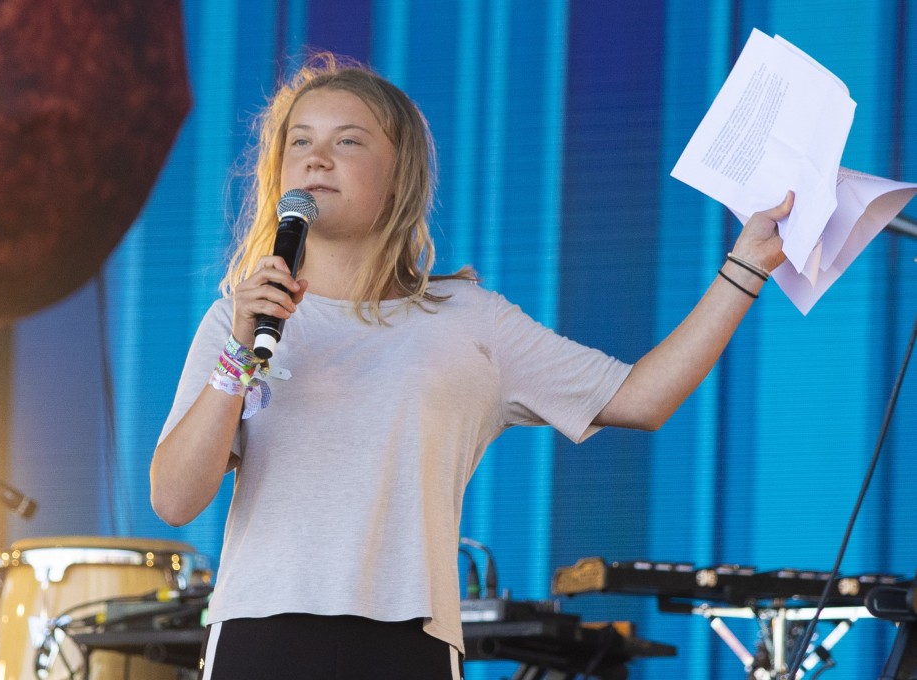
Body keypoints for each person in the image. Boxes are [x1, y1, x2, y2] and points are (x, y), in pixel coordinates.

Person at [150, 52, 793, 680]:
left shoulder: (468, 321)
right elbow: (175, 500)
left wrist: (746, 267)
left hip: (409, 639)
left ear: (399, 177)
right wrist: (239, 353)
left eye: (348, 140)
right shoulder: (237, 318)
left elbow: (643, 396)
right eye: (300, 141)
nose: (317, 157)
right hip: (260, 629)